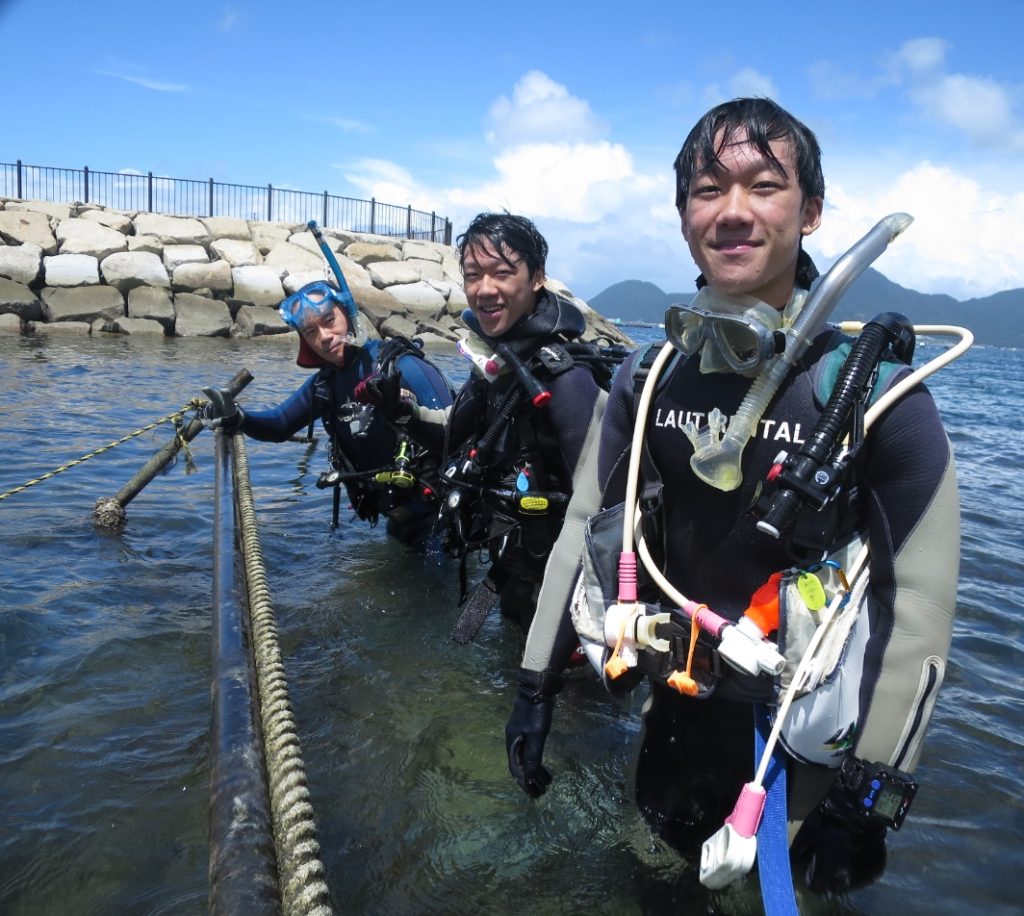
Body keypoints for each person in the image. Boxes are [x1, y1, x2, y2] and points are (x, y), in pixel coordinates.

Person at [504, 97, 961, 896]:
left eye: (764, 185)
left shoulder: (877, 399)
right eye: (708, 190)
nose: (734, 212)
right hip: (671, 718)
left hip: (794, 759)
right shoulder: (645, 382)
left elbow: (915, 609)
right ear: (682, 215)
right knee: (645, 881)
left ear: (811, 211)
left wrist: (867, 800)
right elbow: (583, 525)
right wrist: (535, 686)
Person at [386, 211, 617, 637]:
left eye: (502, 273)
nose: (484, 289)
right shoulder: (499, 370)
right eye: (473, 275)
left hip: (566, 599)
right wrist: (402, 412)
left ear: (536, 278)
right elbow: (452, 437)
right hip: (516, 573)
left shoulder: (566, 383)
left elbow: (605, 512)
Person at [201, 279, 455, 548]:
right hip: (398, 521)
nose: (323, 336)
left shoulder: (401, 366)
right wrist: (238, 417)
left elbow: (456, 435)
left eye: (329, 320)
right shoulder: (326, 385)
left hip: (444, 519)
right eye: (311, 332)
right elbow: (280, 424)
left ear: (348, 312)